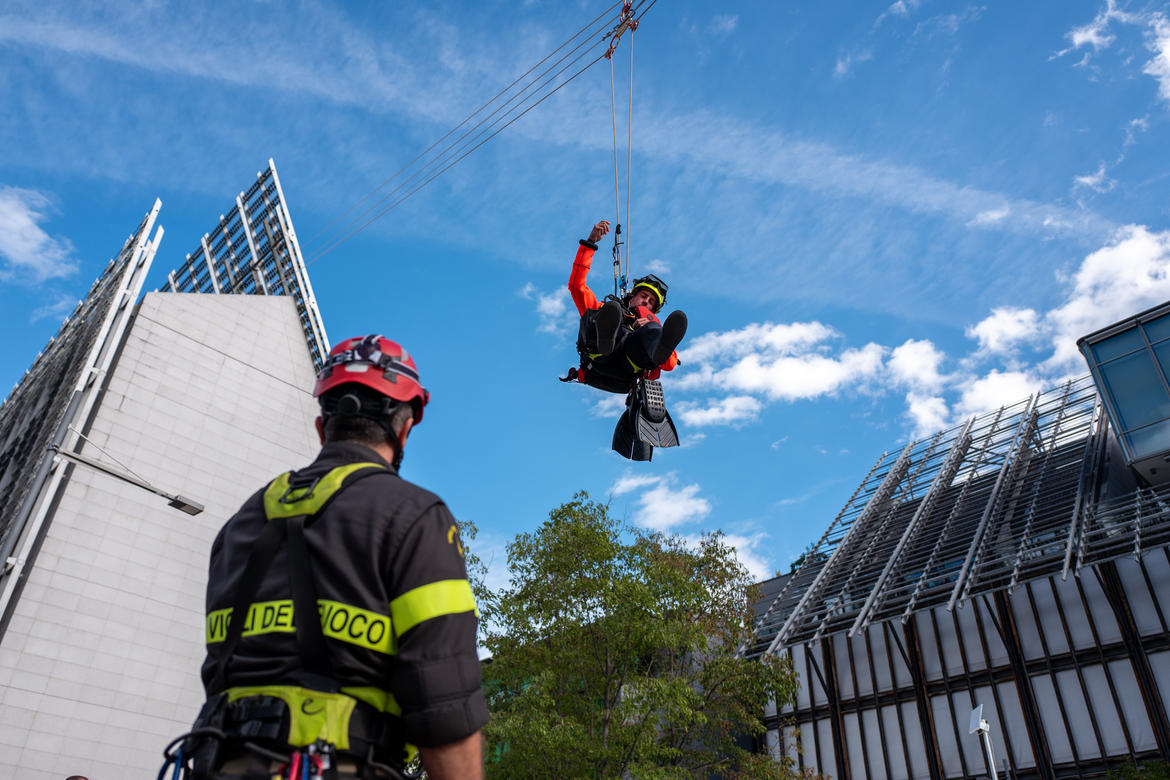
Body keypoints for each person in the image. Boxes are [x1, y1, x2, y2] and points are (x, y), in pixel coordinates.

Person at [187, 334, 486, 779]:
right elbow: (443, 701)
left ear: (322, 427)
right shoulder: (415, 516)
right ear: (405, 427)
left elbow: (220, 670)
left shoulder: (242, 522)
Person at [568, 220, 687, 390]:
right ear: (632, 297)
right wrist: (590, 244)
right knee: (610, 310)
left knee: (654, 330)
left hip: (629, 368)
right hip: (598, 360)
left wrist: (651, 330)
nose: (646, 301)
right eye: (644, 296)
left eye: (651, 302)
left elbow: (669, 365)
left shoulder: (652, 329)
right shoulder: (605, 310)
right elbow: (576, 286)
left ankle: (649, 345)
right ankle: (605, 341)